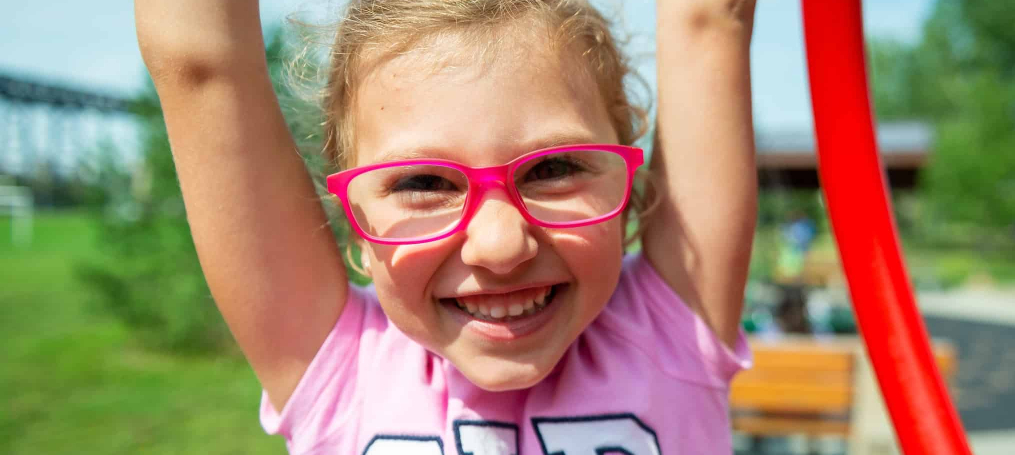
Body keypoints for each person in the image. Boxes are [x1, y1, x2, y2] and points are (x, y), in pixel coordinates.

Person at [134, 0, 758, 453]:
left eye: (554, 169)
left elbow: (709, 23)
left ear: (627, 197)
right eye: (423, 183)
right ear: (356, 226)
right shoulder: (340, 371)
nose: (500, 245)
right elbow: (202, 67)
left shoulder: (673, 331)